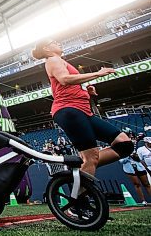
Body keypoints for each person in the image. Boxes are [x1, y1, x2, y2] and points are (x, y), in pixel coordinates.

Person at [32, 39, 133, 177]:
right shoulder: (53, 59)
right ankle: (79, 195)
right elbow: (64, 79)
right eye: (54, 42)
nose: (59, 42)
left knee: (124, 144)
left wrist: (85, 90)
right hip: (69, 110)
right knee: (92, 158)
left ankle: (80, 165)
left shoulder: (59, 61)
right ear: (47, 49)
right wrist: (98, 73)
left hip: (83, 111)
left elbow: (62, 86)